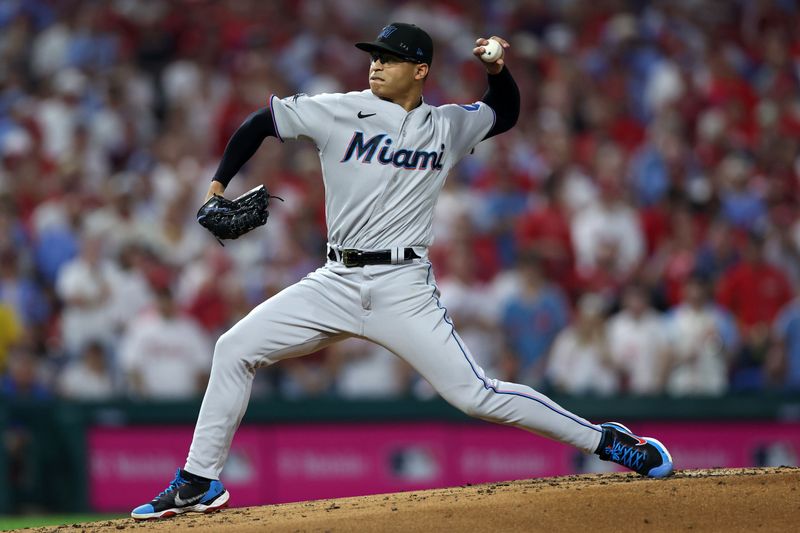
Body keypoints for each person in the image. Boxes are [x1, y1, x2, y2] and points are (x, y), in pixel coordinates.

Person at [131, 23, 673, 520]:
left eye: (390, 59)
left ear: (420, 70)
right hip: (335, 280)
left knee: (476, 396)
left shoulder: (446, 126)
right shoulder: (339, 109)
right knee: (233, 348)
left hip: (402, 288)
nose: (375, 65)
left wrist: (496, 69)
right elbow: (261, 122)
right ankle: (198, 481)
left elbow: (502, 113)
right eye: (374, 56)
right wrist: (216, 188)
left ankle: (609, 442)